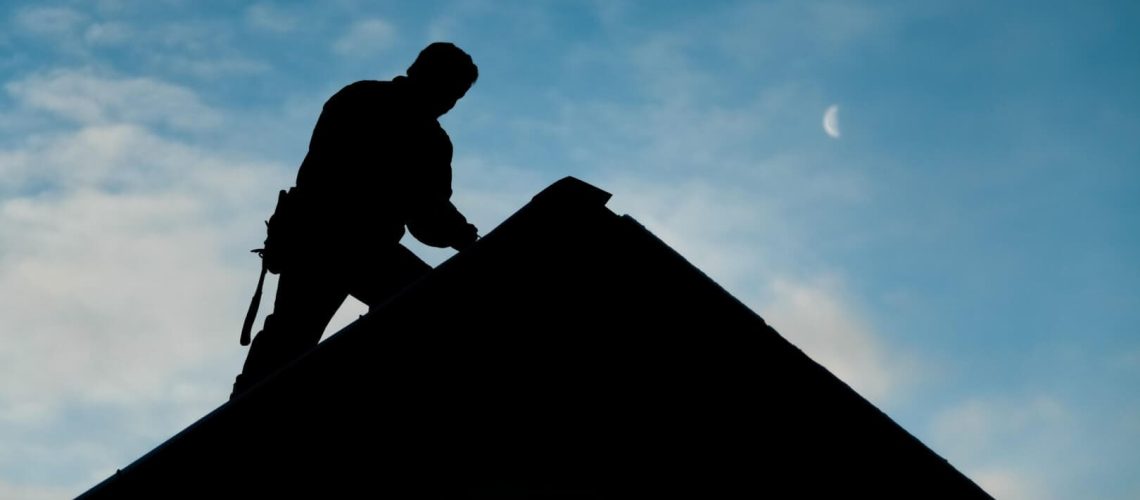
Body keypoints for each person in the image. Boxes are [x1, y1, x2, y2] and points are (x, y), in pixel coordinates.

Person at [231, 42, 480, 399]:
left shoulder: (363, 100)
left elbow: (426, 214)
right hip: (334, 241)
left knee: (290, 334)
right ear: (425, 75)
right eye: (450, 91)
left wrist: (457, 233)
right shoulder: (413, 129)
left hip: (334, 241)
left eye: (456, 96)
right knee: (293, 334)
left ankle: (249, 401)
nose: (449, 103)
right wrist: (463, 236)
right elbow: (425, 212)